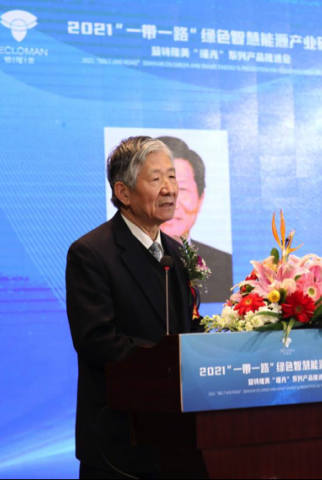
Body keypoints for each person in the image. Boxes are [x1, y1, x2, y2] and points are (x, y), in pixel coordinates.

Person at [66, 136, 202, 479]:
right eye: (156, 179)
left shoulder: (176, 252)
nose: (169, 189)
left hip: (179, 438)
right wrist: (170, 361)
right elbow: (97, 341)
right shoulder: (91, 253)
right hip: (120, 442)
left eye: (172, 177)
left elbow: (187, 327)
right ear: (123, 193)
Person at [156, 136, 233, 303]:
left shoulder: (225, 264)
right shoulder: (119, 261)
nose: (171, 202)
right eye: (160, 190)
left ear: (200, 198)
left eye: (182, 189)